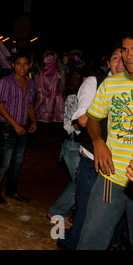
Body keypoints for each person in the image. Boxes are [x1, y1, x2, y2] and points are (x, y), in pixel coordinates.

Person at [58, 48, 125, 250]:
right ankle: (70, 242)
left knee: (117, 223)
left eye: (126, 57)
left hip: (123, 169)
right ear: (108, 61)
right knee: (86, 216)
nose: (121, 62)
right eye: (116, 58)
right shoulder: (95, 83)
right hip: (92, 163)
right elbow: (84, 118)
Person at [77, 33, 133, 249]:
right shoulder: (110, 83)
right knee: (91, 239)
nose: (128, 56)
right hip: (111, 176)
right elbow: (92, 119)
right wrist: (98, 141)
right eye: (125, 49)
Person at [0, 52, 37, 205]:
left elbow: (30, 104)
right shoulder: (6, 82)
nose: (22, 67)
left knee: (17, 163)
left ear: (30, 65)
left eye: (25, 64)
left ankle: (12, 191)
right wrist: (15, 125)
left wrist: (34, 121)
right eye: (18, 64)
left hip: (23, 128)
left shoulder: (30, 83)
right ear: (13, 65)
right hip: (7, 128)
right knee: (4, 162)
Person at [47, 65, 84, 226]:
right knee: (78, 182)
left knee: (80, 182)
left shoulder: (81, 98)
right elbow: (73, 126)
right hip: (72, 146)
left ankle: (66, 214)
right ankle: (56, 212)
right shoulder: (73, 98)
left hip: (77, 147)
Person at [34, 50, 65, 132]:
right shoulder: (58, 73)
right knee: (53, 117)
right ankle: (50, 132)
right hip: (55, 98)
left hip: (43, 98)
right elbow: (63, 85)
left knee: (41, 117)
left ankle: (39, 131)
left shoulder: (40, 72)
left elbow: (36, 87)